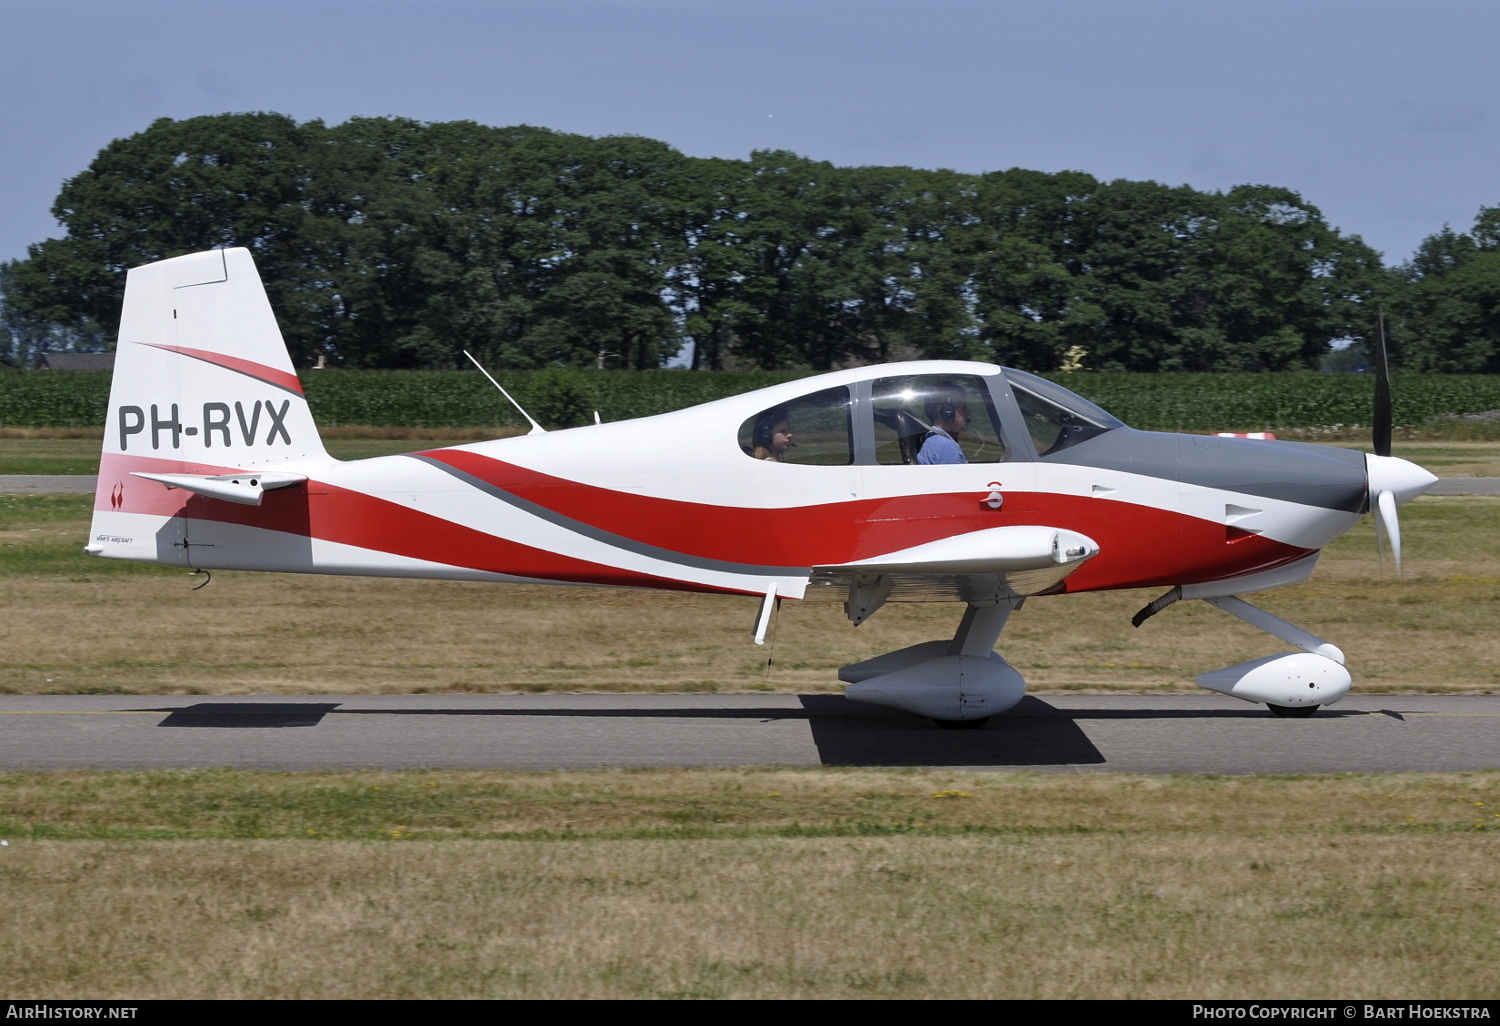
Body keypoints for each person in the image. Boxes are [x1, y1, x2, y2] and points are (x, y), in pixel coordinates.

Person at [917, 390, 969, 465]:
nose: (969, 413)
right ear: (948, 412)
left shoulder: (934, 440)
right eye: (963, 408)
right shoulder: (946, 448)